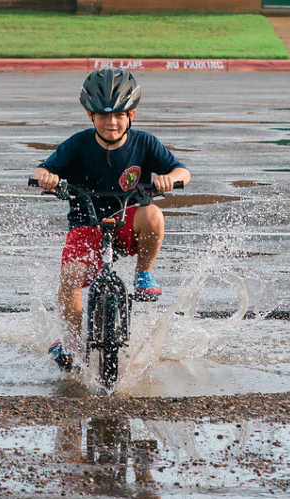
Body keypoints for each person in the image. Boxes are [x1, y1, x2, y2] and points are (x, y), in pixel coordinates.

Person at [31, 69, 191, 370]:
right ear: (90, 115)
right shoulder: (78, 144)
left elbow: (183, 171)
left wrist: (169, 180)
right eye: (103, 116)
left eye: (119, 114)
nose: (112, 122)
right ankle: (72, 344)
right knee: (70, 279)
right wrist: (47, 178)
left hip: (130, 222)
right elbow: (40, 170)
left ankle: (144, 274)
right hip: (86, 224)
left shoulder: (145, 143)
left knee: (153, 213)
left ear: (131, 114)